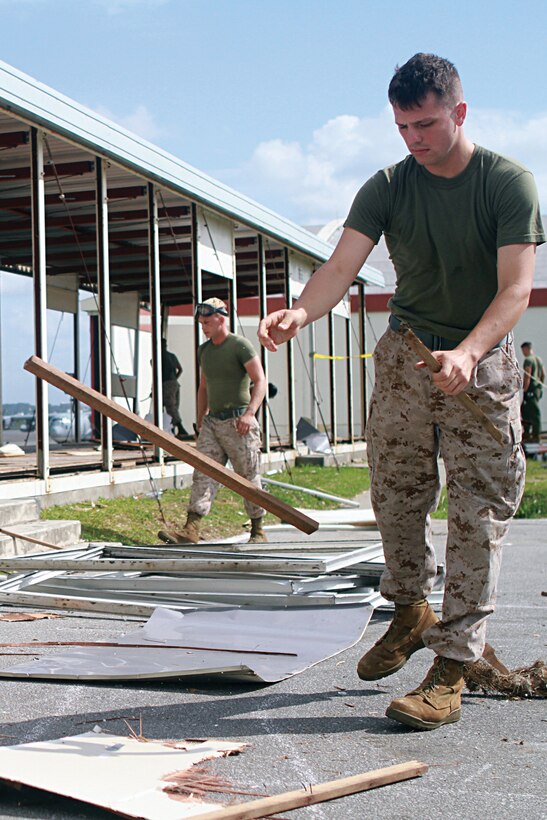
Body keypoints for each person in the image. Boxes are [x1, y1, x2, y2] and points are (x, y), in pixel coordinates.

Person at [258, 53, 545, 731]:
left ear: (459, 112)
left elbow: (514, 290)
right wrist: (301, 313)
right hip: (407, 362)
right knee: (393, 496)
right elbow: (339, 266)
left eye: (424, 123)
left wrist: (470, 353)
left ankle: (450, 668)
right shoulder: (387, 185)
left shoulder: (507, 183)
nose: (413, 138)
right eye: (402, 126)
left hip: (482, 366)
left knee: (477, 515)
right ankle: (410, 607)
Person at [159, 297, 268, 545]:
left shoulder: (240, 346)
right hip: (212, 423)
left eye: (207, 322)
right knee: (203, 473)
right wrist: (200, 423)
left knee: (247, 476)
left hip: (238, 422)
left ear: (221, 319)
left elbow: (259, 380)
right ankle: (191, 529)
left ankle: (258, 530)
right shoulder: (204, 350)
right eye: (201, 323)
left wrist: (250, 414)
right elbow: (203, 386)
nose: (204, 327)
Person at [161, 338, 188, 438]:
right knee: (174, 406)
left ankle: (180, 428)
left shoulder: (159, 356)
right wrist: (174, 379)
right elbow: (180, 369)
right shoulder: (172, 356)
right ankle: (172, 428)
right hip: (174, 384)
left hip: (167, 384)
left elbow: (156, 374)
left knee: (170, 407)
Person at [520, 341, 545, 444]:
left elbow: (527, 376)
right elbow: (543, 374)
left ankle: (533, 435)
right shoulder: (538, 359)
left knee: (530, 412)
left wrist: (524, 390)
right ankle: (530, 434)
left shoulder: (528, 360)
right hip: (537, 390)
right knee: (530, 411)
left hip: (530, 390)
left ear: (526, 349)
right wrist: (539, 385)